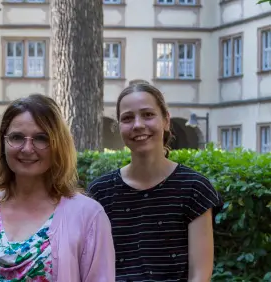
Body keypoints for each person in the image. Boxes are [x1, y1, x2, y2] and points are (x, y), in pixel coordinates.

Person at [0, 94, 115, 281]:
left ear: (58, 145)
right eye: (16, 137)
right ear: (3, 144)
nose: (27, 148)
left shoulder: (88, 216)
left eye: (41, 138)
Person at [87, 82, 222, 281]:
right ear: (119, 126)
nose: (138, 124)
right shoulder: (100, 192)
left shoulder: (194, 188)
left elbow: (200, 275)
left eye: (148, 114)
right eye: (127, 118)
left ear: (166, 120)